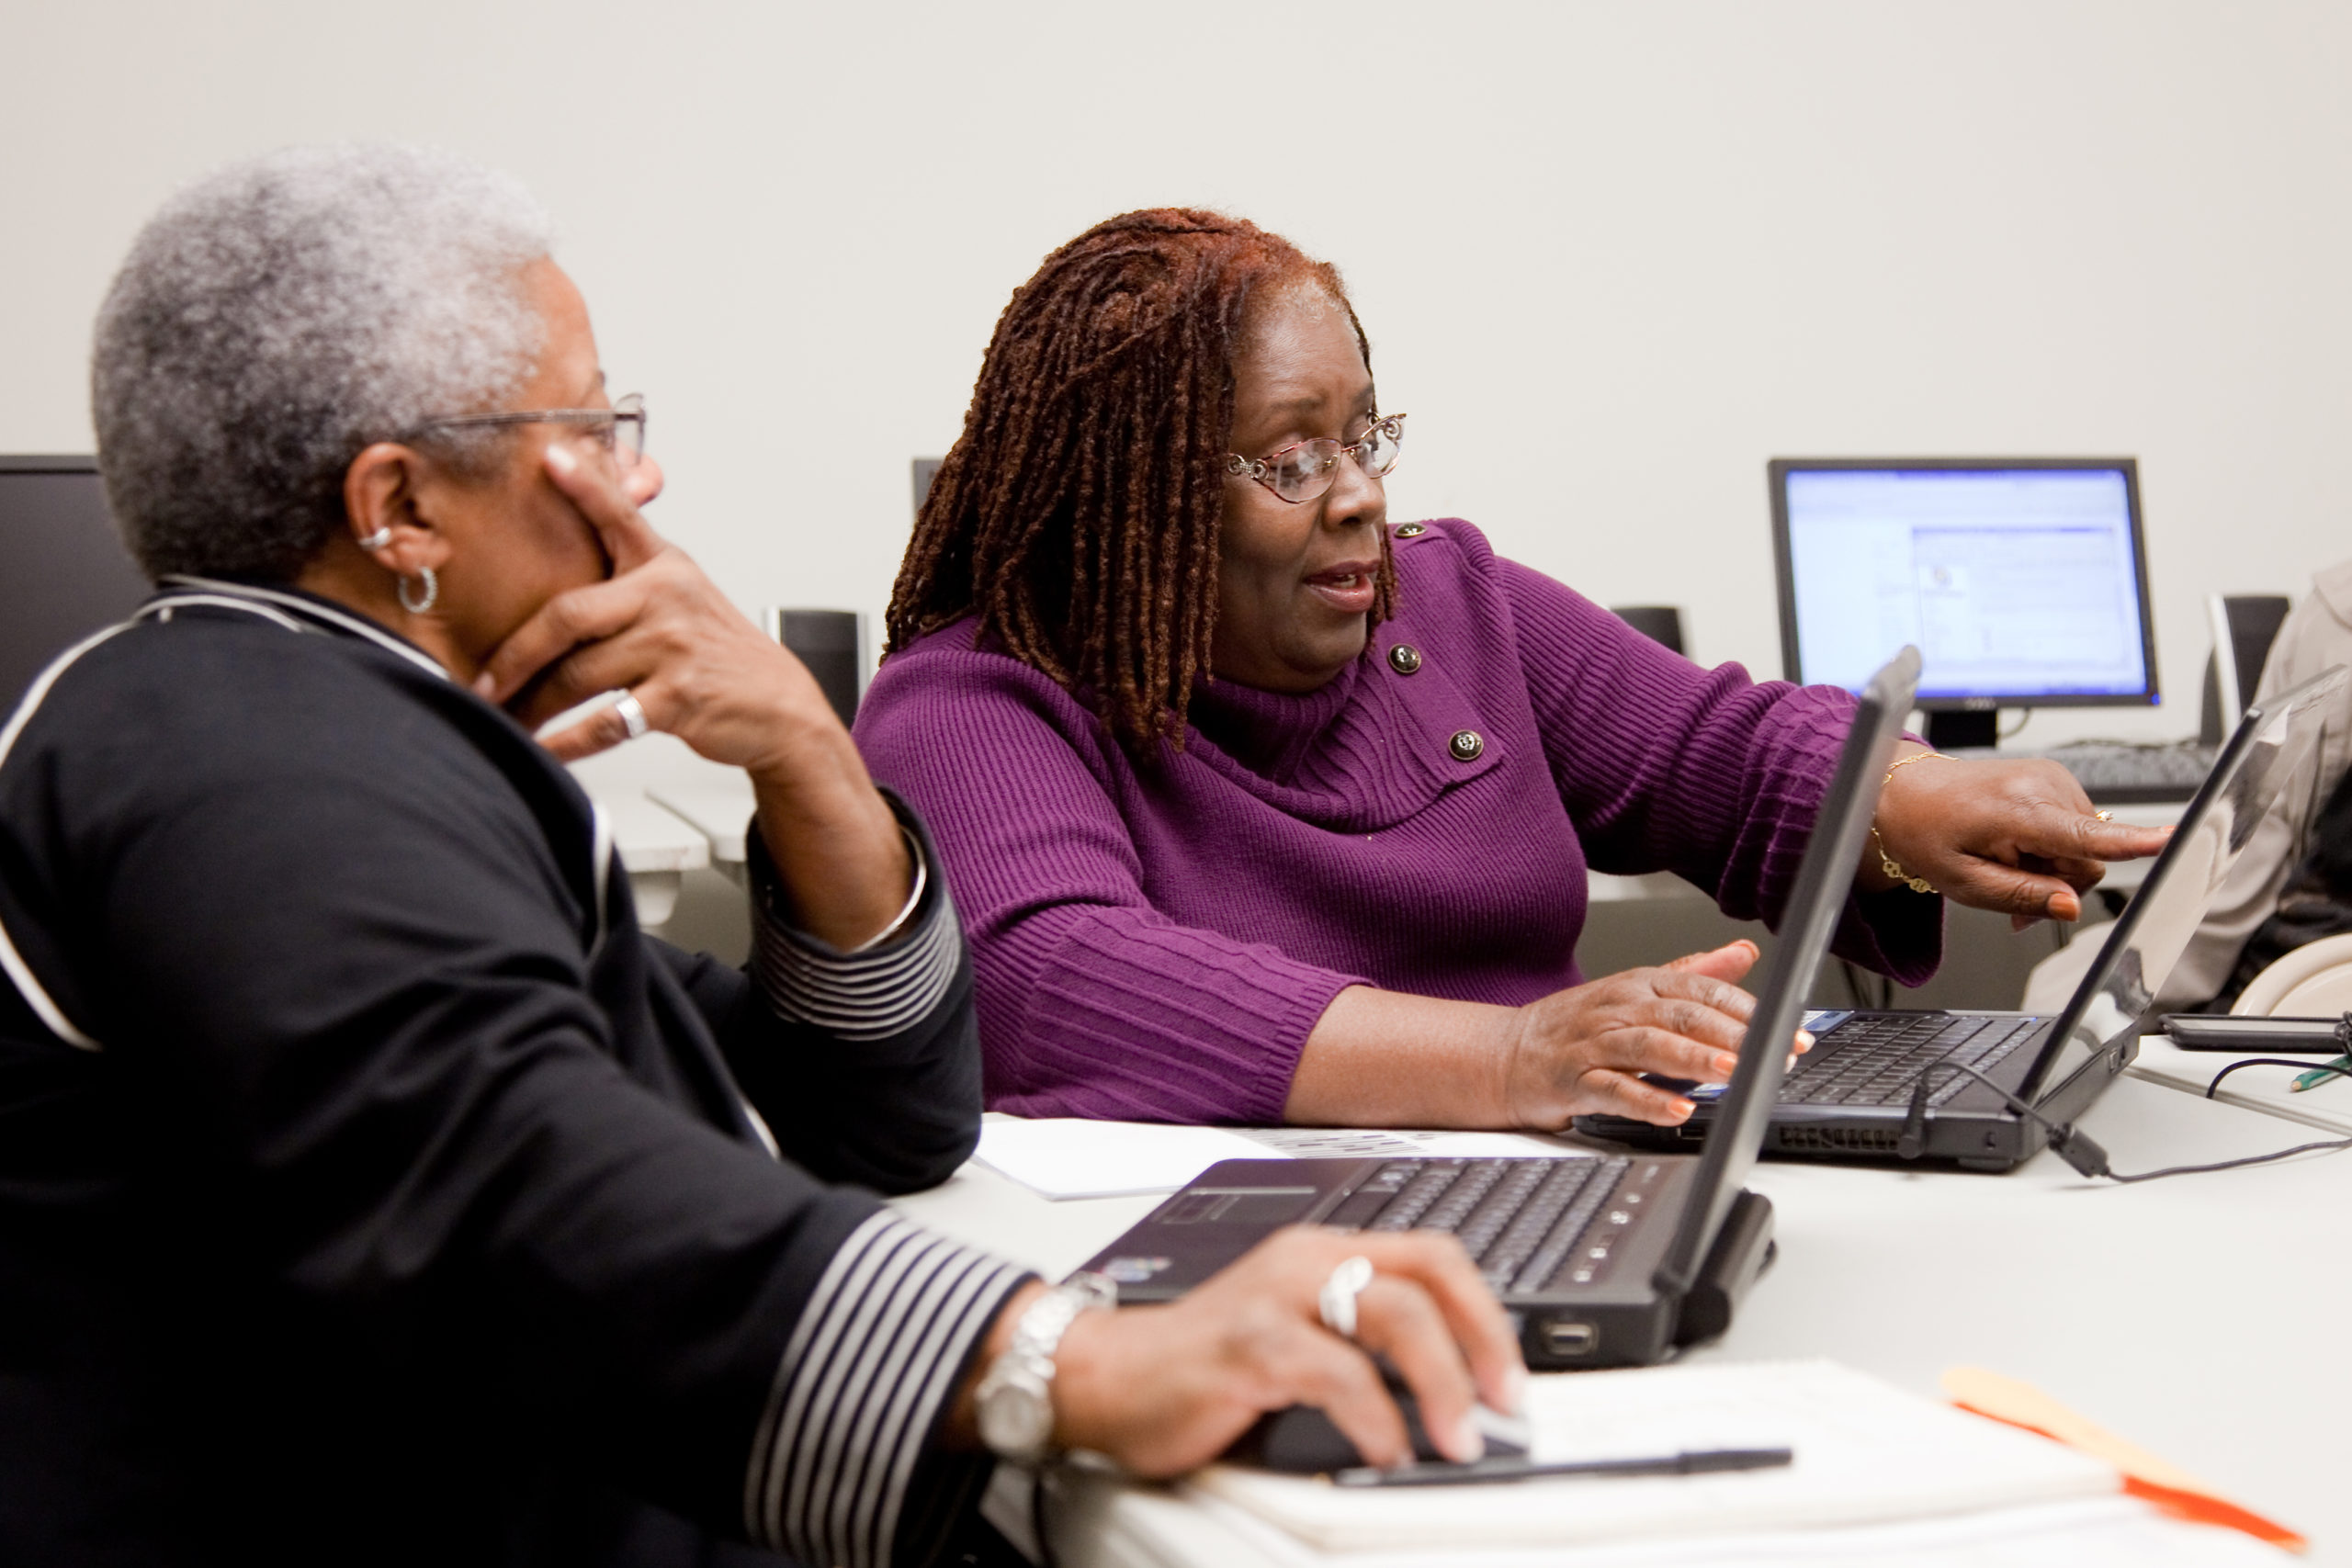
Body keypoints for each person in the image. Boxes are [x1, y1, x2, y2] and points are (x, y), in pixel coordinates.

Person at [0, 151, 1521, 1568]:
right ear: (400, 507)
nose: (638, 483)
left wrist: (807, 756)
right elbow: (510, 1170)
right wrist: (1067, 1359)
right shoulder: (236, 739)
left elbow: (869, 1115)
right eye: (591, 431)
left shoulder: (333, 745)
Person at [856, 209, 2170, 1129]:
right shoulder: (978, 693)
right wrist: (1510, 1056)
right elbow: (1052, 979)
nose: (1361, 495)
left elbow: (1712, 749)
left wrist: (1907, 801)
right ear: (1132, 499)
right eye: (1292, 458)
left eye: (1365, 436)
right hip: (1253, 1278)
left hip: (1547, 1193)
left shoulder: (1457, 603)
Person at [2023, 558, 2352, 1014]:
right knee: (2060, 993)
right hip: (2276, 944)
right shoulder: (2333, 611)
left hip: (2313, 975)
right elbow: (2243, 855)